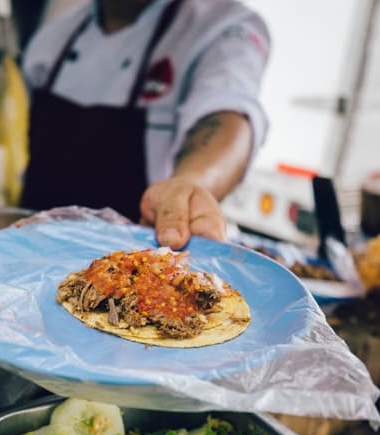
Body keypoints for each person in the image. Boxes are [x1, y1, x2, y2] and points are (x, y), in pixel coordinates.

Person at [18, 0, 269, 249]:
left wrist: (191, 184)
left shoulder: (222, 28)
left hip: (134, 268)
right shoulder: (54, 35)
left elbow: (226, 114)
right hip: (27, 253)